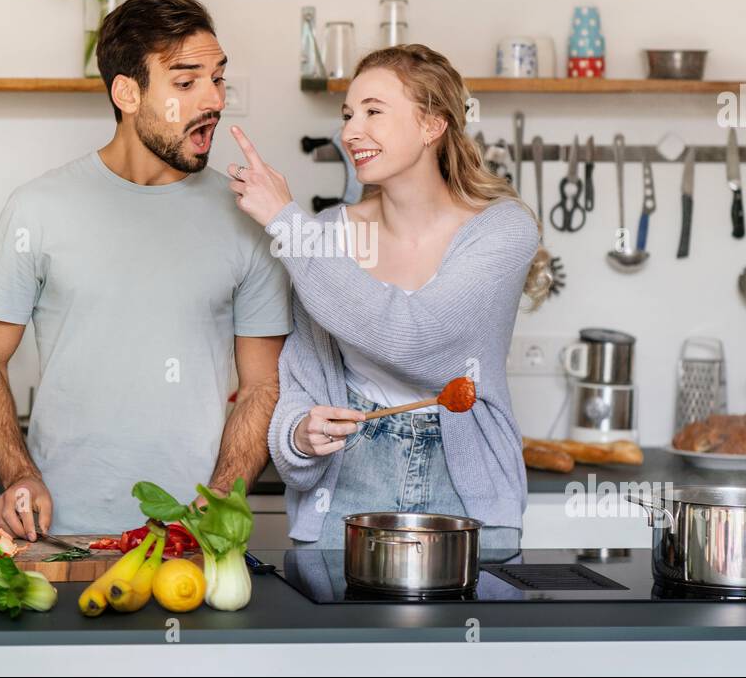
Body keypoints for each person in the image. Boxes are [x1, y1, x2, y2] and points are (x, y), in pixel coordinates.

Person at [0, 0, 291, 539]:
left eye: (218, 79)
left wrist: (223, 499)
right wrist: (19, 474)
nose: (212, 100)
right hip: (59, 534)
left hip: (194, 536)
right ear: (126, 92)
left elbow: (263, 384)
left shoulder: (249, 218)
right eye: (186, 83)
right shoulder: (38, 208)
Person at [226, 44, 552, 548]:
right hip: (345, 494)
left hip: (468, 501)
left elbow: (415, 338)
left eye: (374, 112)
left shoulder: (502, 230)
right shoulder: (329, 234)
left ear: (432, 124)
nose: (351, 131)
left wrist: (285, 221)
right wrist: (299, 435)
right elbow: (298, 382)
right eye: (348, 114)